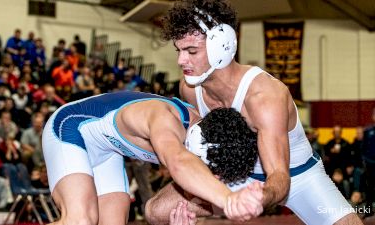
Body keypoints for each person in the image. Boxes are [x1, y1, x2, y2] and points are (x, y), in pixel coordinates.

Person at [145, 0, 362, 224]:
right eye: (179, 50)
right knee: (157, 211)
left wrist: (259, 197)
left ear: (222, 46)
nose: (181, 60)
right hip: (233, 175)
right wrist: (201, 199)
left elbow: (279, 175)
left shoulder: (264, 96)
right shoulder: (190, 89)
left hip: (297, 176)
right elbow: (200, 149)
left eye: (191, 51)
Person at [42, 91, 260, 225]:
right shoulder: (165, 118)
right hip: (70, 127)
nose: (207, 174)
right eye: (207, 169)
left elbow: (161, 207)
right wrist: (228, 199)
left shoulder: (196, 139)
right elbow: (179, 162)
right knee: (81, 220)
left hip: (107, 152)